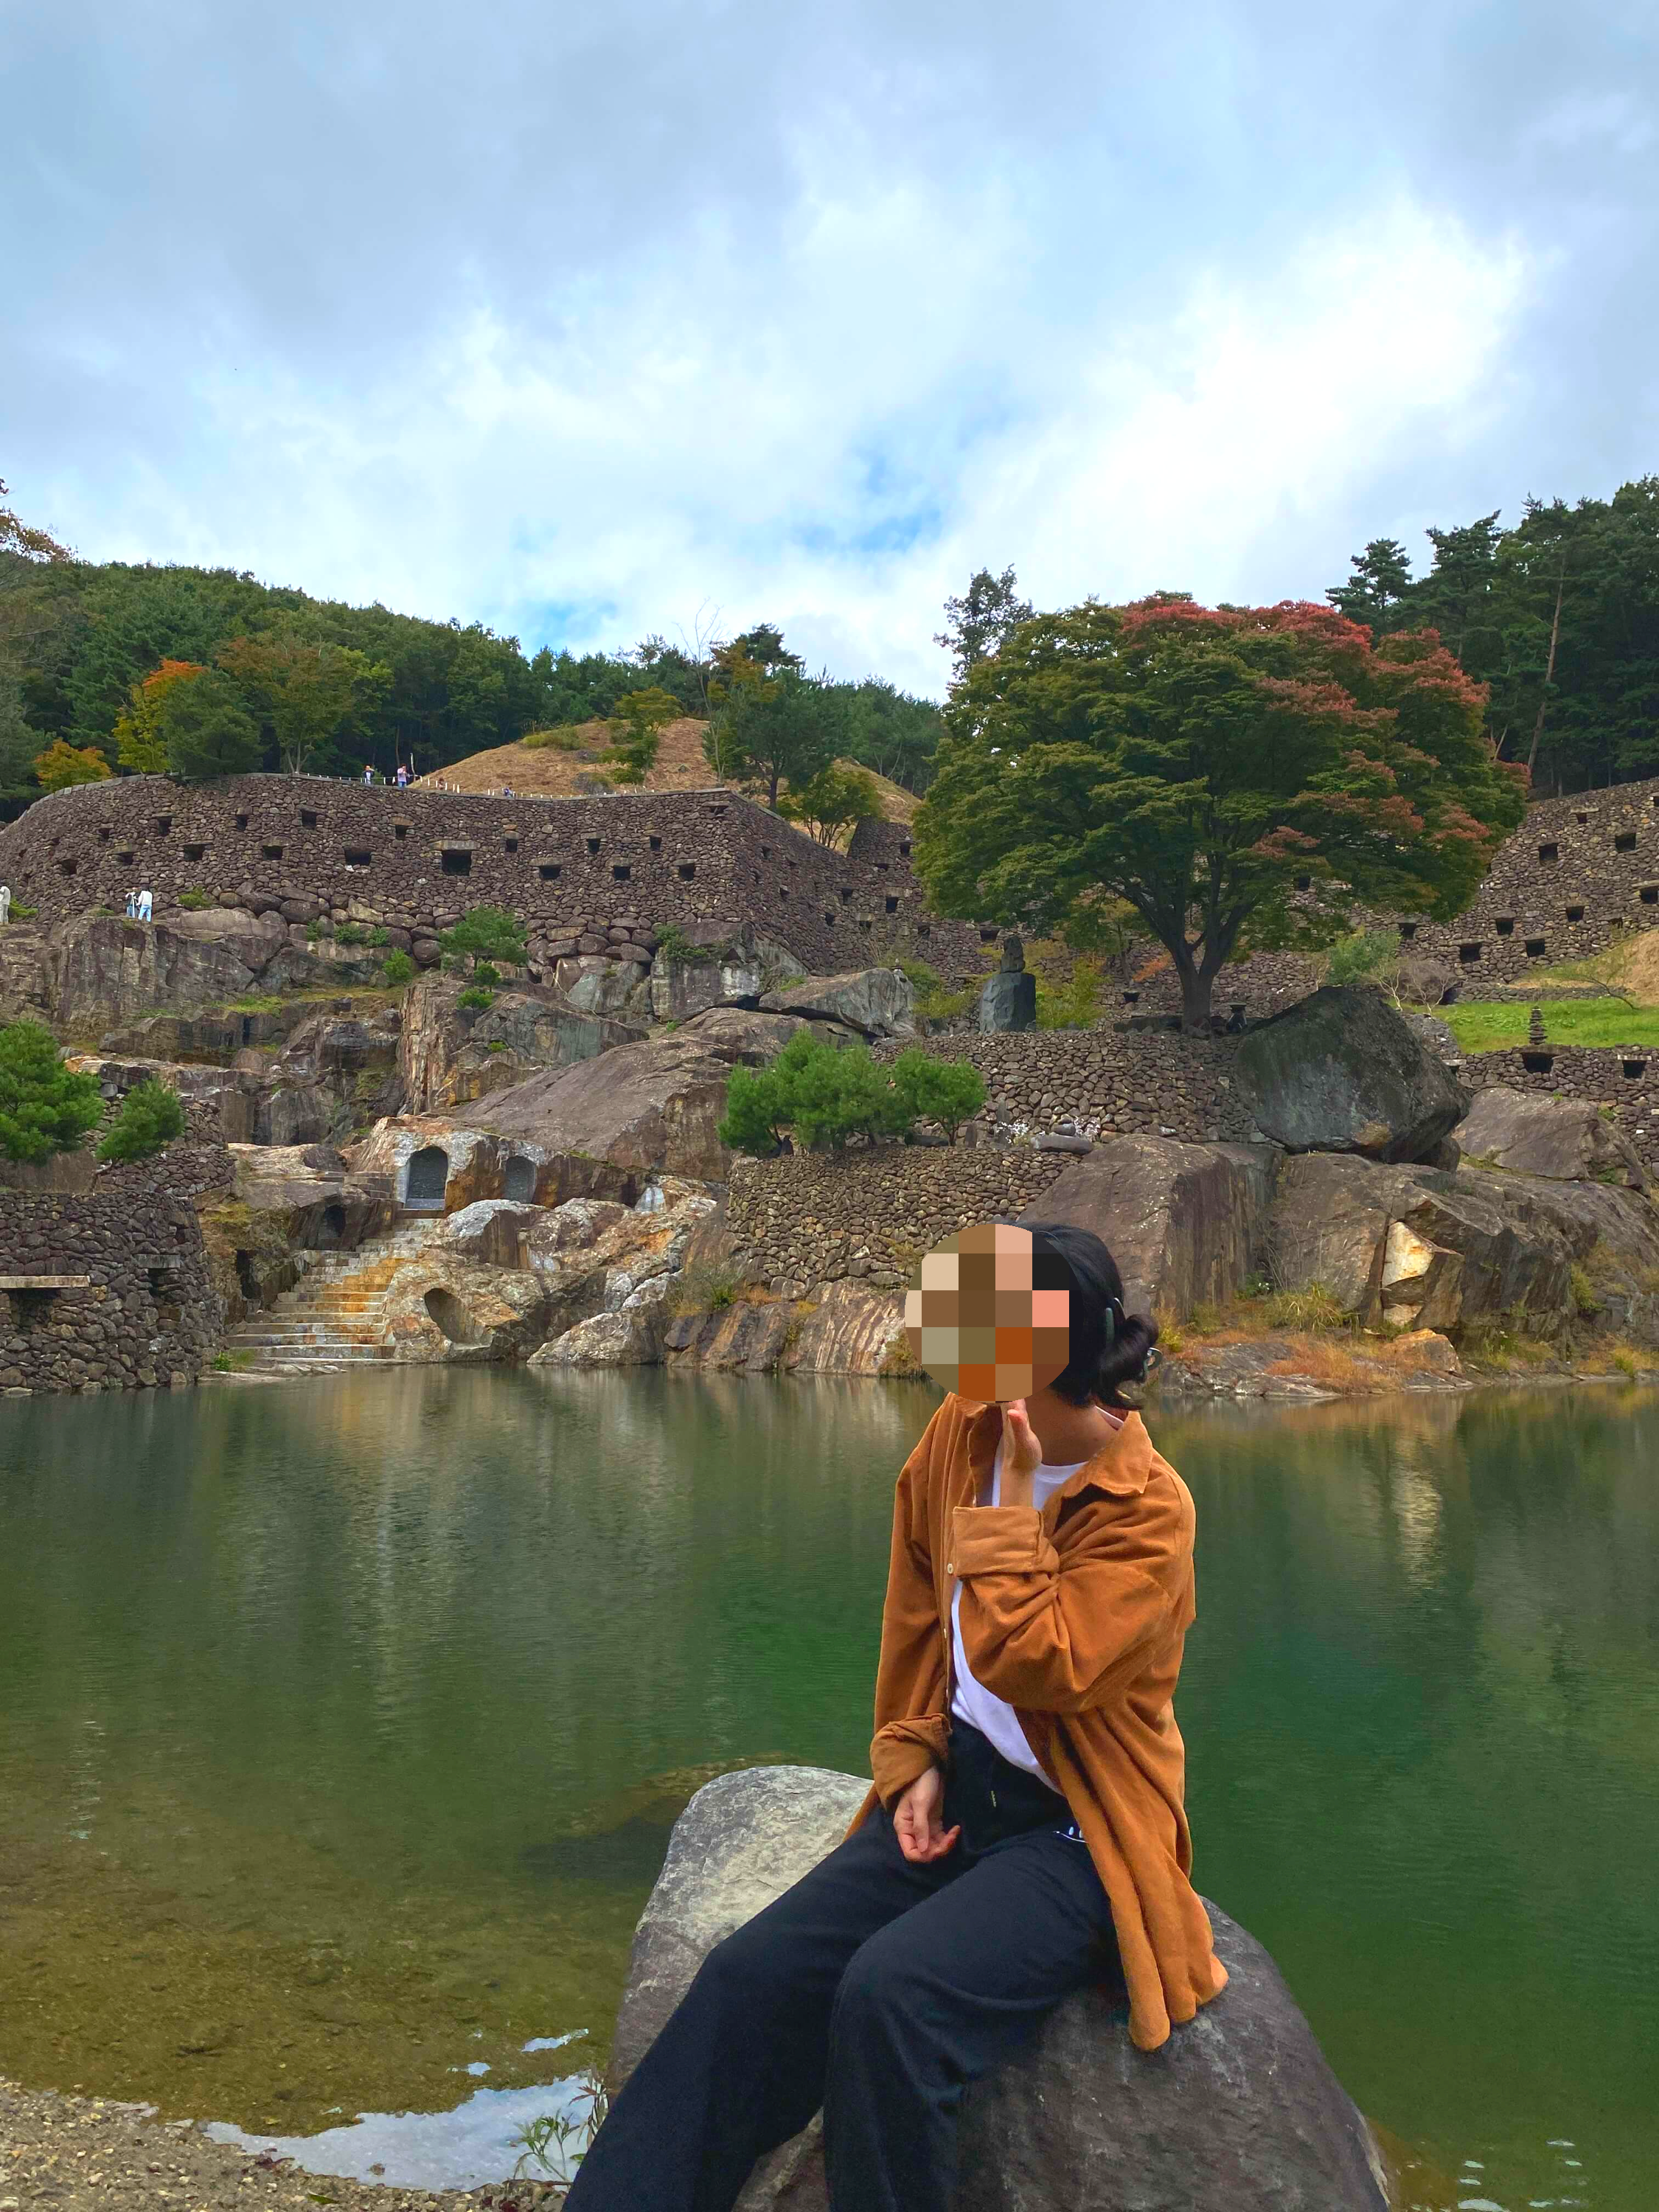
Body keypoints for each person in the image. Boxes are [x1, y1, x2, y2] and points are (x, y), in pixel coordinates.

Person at [565, 1224, 1225, 2212]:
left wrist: (1007, 1512)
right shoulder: (956, 1432)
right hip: (955, 1791)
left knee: (892, 1998)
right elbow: (918, 1606)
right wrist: (913, 1751)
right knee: (750, 1977)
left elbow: (1039, 1667)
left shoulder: (1145, 1509)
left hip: (1075, 1830)